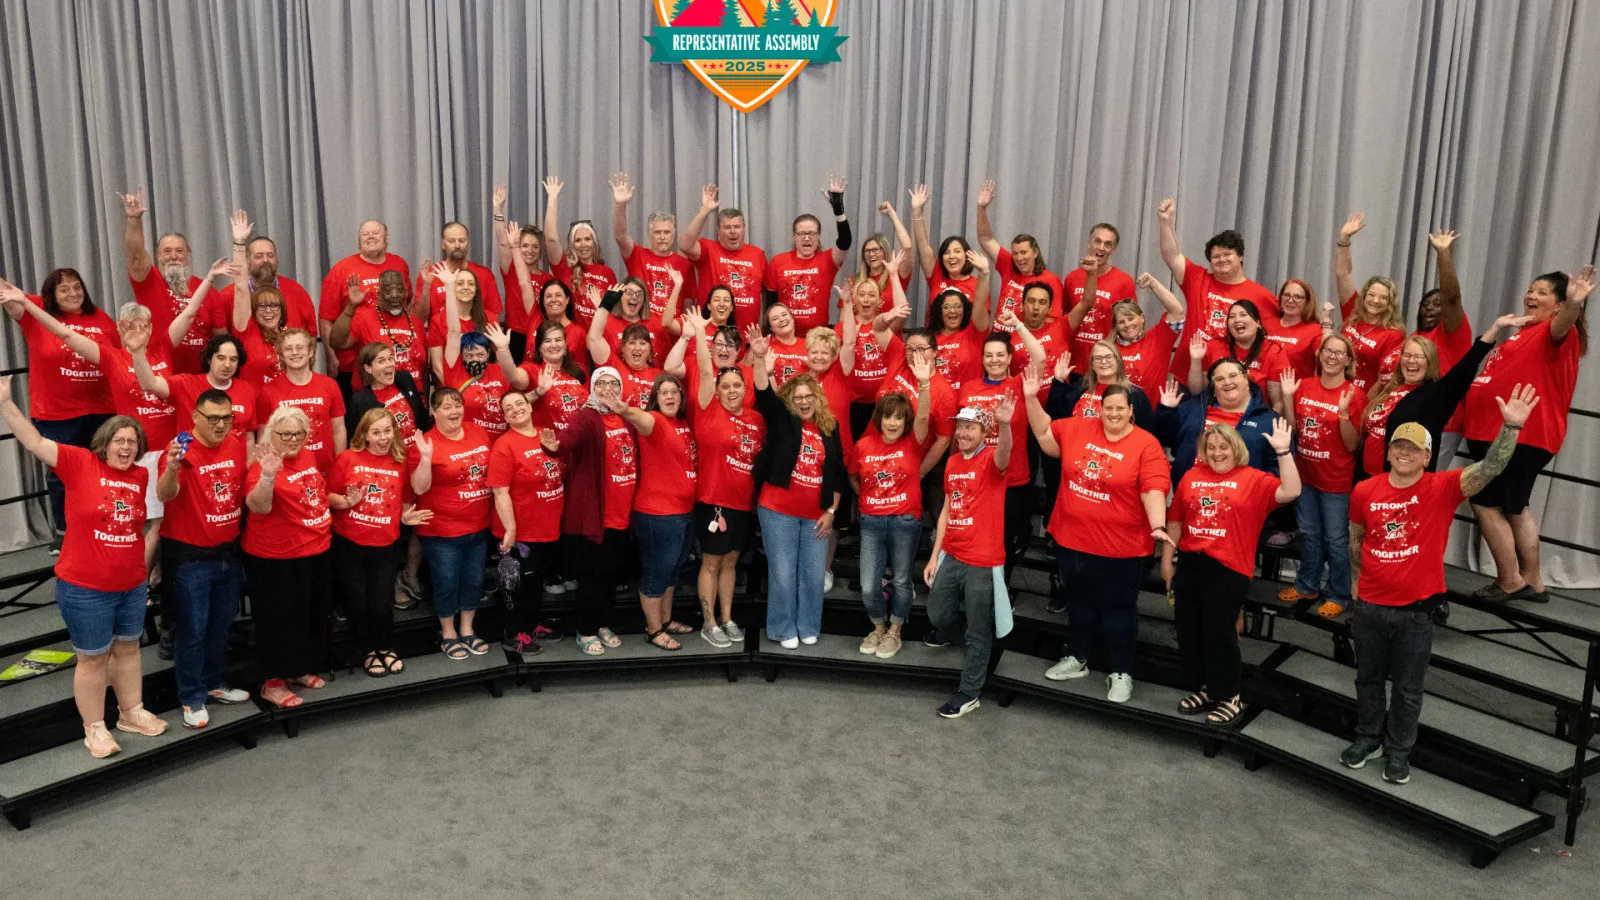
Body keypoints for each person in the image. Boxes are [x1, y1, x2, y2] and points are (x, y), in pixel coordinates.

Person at [1342, 387, 1537, 784]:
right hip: (1371, 606)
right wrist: (1357, 589)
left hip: (1416, 611)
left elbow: (1491, 468)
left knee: (1409, 690)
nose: (1404, 453)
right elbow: (1356, 539)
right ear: (1389, 450)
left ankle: (1398, 751)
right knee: (1367, 679)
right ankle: (1368, 738)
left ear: (1427, 457)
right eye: (1398, 446)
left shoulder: (1442, 488)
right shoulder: (1365, 490)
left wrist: (1511, 427)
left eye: (1413, 449)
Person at [0, 377, 167, 756]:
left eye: (133, 442)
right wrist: (6, 404)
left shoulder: (139, 476)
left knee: (128, 650)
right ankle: (94, 728)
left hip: (130, 584)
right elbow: (35, 441)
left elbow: (135, 528)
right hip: (85, 587)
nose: (126, 447)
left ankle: (131, 712)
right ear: (104, 443)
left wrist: (140, 577)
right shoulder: (78, 463)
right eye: (119, 440)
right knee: (92, 659)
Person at [1026, 376, 1171, 703]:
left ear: (1131, 411)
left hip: (1122, 550)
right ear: (1100, 409)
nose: (1114, 414)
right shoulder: (1080, 427)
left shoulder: (1146, 444)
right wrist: (1030, 397)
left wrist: (1158, 524)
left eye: (1121, 409)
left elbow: (1153, 488)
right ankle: (1077, 658)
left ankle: (1121, 672)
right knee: (1079, 606)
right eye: (1108, 408)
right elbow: (1045, 436)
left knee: (1118, 612)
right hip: (1074, 541)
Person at [1462, 267, 1590, 602]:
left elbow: (1564, 325)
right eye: (1530, 290)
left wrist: (1574, 304)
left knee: (1485, 503)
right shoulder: (1524, 332)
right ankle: (1533, 581)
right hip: (1499, 434)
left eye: (1542, 292)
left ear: (1559, 305)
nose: (1531, 296)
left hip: (1521, 435)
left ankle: (1509, 580)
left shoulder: (1557, 330)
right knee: (1515, 506)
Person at [1162, 421, 1300, 724]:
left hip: (1228, 568)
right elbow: (1176, 520)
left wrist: (1283, 451)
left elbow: (1291, 490)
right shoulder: (1191, 476)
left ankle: (1230, 696)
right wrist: (1167, 560)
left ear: (1236, 448)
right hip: (1190, 563)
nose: (1217, 453)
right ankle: (1207, 689)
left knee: (1219, 634)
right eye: (1211, 447)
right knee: (1189, 631)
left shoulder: (1253, 479)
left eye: (1223, 447)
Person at [1, 273, 138, 538]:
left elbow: (120, 357)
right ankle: (66, 532)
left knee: (105, 470)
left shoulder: (100, 317)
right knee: (61, 474)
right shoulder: (35, 309)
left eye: (77, 287)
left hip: (103, 411)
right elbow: (7, 293)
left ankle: (103, 524)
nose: (73, 293)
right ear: (51, 295)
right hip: (57, 414)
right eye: (64, 289)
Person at [156, 389, 250, 727]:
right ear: (195, 417)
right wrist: (171, 468)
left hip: (228, 552)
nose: (221, 424)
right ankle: (191, 697)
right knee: (192, 631)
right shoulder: (180, 448)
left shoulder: (237, 443)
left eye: (227, 417)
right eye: (213, 418)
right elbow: (165, 494)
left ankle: (215, 684)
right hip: (191, 559)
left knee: (221, 625)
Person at [749, 329, 847, 649]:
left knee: (813, 576)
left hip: (816, 516)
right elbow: (764, 393)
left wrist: (832, 511)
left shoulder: (829, 428)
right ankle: (781, 628)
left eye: (809, 396)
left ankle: (807, 625)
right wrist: (761, 358)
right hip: (778, 511)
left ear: (817, 399)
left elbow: (837, 475)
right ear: (790, 401)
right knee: (782, 574)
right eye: (798, 397)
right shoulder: (784, 421)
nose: (804, 401)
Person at [923, 397, 1017, 718]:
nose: (962, 432)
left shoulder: (992, 459)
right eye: (960, 426)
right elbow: (947, 511)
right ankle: (983, 648)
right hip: (953, 553)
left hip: (983, 559)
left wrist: (1005, 424)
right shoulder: (952, 462)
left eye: (970, 427)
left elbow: (1005, 452)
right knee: (937, 614)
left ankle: (969, 692)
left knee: (978, 629)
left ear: (984, 431)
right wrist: (935, 556)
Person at [243, 406, 333, 709]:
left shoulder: (307, 456)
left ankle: (296, 670)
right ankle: (273, 683)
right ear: (273, 434)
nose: (294, 439)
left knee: (308, 616)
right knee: (279, 621)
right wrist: (268, 475)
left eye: (299, 433)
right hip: (277, 558)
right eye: (286, 434)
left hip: (315, 550)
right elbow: (258, 506)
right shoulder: (263, 464)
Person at [1359, 316, 1520, 484]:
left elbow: (1466, 367)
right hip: (1367, 479)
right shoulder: (1391, 388)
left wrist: (1495, 328)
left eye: (1419, 356)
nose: (1411, 360)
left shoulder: (1435, 395)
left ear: (1430, 362)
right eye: (1407, 355)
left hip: (1401, 484)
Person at [330, 409, 430, 676]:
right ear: (364, 434)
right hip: (349, 545)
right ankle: (368, 651)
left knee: (381, 602)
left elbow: (405, 501)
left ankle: (385, 647)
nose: (383, 437)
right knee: (357, 603)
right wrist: (346, 502)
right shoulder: (347, 459)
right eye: (376, 432)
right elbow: (328, 495)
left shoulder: (399, 461)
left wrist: (406, 517)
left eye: (388, 431)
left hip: (385, 546)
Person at [545, 368, 638, 655]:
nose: (608, 388)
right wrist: (554, 447)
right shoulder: (587, 416)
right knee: (592, 576)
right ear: (593, 388)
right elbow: (568, 439)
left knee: (610, 575)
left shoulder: (625, 416)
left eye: (613, 383)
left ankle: (602, 624)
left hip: (623, 513)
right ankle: (585, 630)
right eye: (602, 383)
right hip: (597, 514)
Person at [685, 312, 764, 647]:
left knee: (731, 561)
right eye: (725, 386)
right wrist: (701, 335)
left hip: (742, 504)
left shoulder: (756, 419)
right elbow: (705, 370)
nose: (732, 390)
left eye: (737, 386)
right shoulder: (707, 410)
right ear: (715, 390)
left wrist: (759, 356)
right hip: (713, 502)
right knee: (712, 562)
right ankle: (709, 621)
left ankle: (727, 617)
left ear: (745, 389)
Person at [1275, 335, 1365, 617]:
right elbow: (1294, 428)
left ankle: (1338, 594)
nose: (1332, 356)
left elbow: (1353, 445)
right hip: (1306, 476)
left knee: (1337, 541)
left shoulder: (1354, 394)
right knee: (1311, 535)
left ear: (1348, 361)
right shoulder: (1306, 386)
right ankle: (1306, 585)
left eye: (1339, 353)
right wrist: (1289, 396)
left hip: (1336, 482)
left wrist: (1342, 415)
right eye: (1327, 351)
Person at [614, 373, 698, 651]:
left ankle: (665, 620)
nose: (670, 396)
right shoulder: (656, 422)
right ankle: (654, 630)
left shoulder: (683, 423)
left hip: (683, 512)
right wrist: (627, 411)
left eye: (675, 391)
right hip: (658, 514)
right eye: (664, 392)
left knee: (673, 572)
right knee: (657, 572)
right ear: (655, 398)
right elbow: (642, 418)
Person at [853, 370, 932, 659]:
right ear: (880, 419)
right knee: (868, 584)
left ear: (905, 421)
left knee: (901, 581)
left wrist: (924, 385)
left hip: (904, 521)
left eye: (899, 417)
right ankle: (878, 627)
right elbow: (853, 476)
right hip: (871, 522)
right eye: (888, 416)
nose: (893, 422)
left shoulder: (913, 442)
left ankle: (895, 631)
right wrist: (865, 498)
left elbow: (924, 418)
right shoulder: (863, 446)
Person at [409, 388, 493, 660]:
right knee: (446, 582)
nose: (454, 411)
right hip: (442, 532)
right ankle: (448, 633)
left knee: (474, 580)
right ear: (433, 412)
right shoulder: (425, 442)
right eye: (446, 407)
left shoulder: (478, 432)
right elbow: (419, 488)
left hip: (479, 526)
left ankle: (468, 628)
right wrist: (424, 458)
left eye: (457, 405)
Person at [1156, 197, 1278, 380]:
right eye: (1215, 256)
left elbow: (1275, 335)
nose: (1221, 260)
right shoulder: (1198, 279)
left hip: (1231, 379)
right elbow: (1172, 256)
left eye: (1227, 254)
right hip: (1189, 372)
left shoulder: (1261, 295)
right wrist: (1165, 222)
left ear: (1241, 257)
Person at [487, 390, 563, 656]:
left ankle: (530, 626)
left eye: (520, 403)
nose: (516, 409)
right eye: (509, 407)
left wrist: (555, 451)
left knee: (535, 582)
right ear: (505, 416)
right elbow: (500, 491)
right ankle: (512, 634)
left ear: (530, 407)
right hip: (519, 533)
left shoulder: (546, 434)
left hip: (548, 527)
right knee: (515, 586)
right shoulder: (504, 445)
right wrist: (511, 529)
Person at [958, 333, 1031, 580]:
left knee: (1004, 538)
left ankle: (1002, 589)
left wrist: (1019, 325)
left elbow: (1040, 358)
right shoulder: (969, 387)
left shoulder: (1019, 384)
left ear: (1010, 358)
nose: (994, 360)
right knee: (975, 534)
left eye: (1000, 354)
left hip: (1011, 478)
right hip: (975, 475)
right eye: (989, 355)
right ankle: (974, 587)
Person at [118, 186, 210, 372]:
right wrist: (134, 220)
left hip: (200, 382)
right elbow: (135, 254)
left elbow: (220, 339)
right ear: (157, 255)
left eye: (179, 251)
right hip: (158, 376)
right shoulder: (148, 280)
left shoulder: (206, 289)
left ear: (188, 254)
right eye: (166, 251)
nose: (173, 256)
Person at [319, 219, 413, 393]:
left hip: (391, 359)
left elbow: (407, 306)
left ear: (386, 240)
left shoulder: (399, 265)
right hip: (350, 361)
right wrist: (331, 356)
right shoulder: (341, 270)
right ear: (359, 241)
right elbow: (326, 318)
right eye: (365, 234)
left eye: (376, 233)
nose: (370, 237)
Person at [1155, 359, 1283, 485]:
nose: (1227, 382)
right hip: (1190, 494)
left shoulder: (1269, 420)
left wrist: (1255, 492)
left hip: (1242, 500)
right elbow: (1165, 439)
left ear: (1246, 379)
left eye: (1233, 376)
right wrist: (1167, 410)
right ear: (1213, 387)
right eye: (1219, 379)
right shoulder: (1194, 409)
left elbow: (1278, 468)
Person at [134, 331, 258, 460]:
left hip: (234, 468)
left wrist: (249, 473)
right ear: (209, 359)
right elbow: (150, 384)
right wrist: (137, 352)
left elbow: (249, 438)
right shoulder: (186, 384)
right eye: (221, 358)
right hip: (193, 467)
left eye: (233, 359)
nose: (227, 365)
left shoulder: (247, 389)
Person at [210, 210, 318, 341]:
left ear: (277, 259)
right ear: (247, 261)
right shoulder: (227, 297)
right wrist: (239, 242)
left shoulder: (296, 290)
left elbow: (311, 335)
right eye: (258, 256)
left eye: (270, 255)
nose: (265, 260)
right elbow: (221, 342)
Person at [763, 175, 852, 332]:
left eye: (811, 233)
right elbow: (770, 305)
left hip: (817, 341)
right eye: (801, 234)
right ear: (794, 237)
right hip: (785, 338)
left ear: (818, 236)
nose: (806, 238)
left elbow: (845, 241)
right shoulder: (778, 262)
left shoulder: (827, 260)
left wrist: (838, 209)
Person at [1333, 214, 1407, 394]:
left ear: (1390, 303)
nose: (1375, 300)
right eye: (1372, 295)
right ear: (1364, 296)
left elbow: (1385, 379)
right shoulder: (1352, 311)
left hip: (1361, 396)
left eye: (1383, 298)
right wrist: (1345, 238)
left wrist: (1365, 406)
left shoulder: (1393, 335)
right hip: (1333, 388)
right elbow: (1343, 274)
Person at [975, 179, 1063, 330]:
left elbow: (1050, 323)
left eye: (1023, 253)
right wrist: (981, 208)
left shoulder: (1050, 280)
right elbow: (986, 239)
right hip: (999, 342)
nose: (1019, 258)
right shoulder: (1008, 264)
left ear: (1035, 253)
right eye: (1015, 253)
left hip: (1023, 343)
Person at [680, 183, 767, 330]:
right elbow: (685, 245)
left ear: (744, 229)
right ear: (718, 231)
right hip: (710, 334)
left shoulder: (758, 254)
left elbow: (767, 293)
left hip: (747, 336)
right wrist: (704, 211)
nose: (732, 232)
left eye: (737, 227)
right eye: (727, 227)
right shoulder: (709, 249)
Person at [257, 328, 346, 470]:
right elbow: (264, 438)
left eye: (300, 347)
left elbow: (338, 429)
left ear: (310, 352)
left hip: (325, 469)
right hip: (286, 472)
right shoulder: (268, 391)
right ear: (281, 355)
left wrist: (341, 464)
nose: (294, 352)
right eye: (288, 349)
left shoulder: (329, 385)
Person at [439, 264, 512, 437]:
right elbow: (454, 332)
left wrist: (503, 348)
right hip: (469, 440)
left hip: (498, 439)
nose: (475, 359)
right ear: (460, 356)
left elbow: (516, 396)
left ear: (488, 353)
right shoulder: (454, 370)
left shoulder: (497, 371)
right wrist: (449, 288)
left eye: (480, 355)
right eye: (469, 355)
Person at [611, 173, 695, 318]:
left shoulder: (685, 265)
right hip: (641, 331)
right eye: (657, 232)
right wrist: (620, 205)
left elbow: (688, 304)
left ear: (674, 234)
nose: (662, 237)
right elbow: (620, 236)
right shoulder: (637, 255)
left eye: (667, 232)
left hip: (672, 333)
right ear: (650, 234)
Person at [1002, 260, 1098, 384]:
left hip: (1058, 398)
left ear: (1049, 308)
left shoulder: (1061, 326)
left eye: (1042, 302)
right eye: (1031, 301)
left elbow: (1087, 303)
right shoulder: (1008, 339)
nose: (1036, 307)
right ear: (1022, 305)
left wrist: (1091, 274)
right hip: (1025, 400)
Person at [330, 270, 427, 390]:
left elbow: (424, 370)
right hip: (376, 401)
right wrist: (351, 306)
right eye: (388, 290)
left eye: (400, 290)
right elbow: (337, 343)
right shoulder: (364, 318)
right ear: (379, 293)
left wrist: (424, 404)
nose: (395, 295)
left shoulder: (416, 323)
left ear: (406, 293)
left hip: (413, 400)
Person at [1187, 301, 1290, 412]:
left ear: (1258, 323)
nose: (1237, 320)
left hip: (1255, 417)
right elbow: (1196, 392)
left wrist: (1266, 426)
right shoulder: (1214, 347)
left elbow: (1277, 404)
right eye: (1232, 316)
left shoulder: (1273, 351)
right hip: (1216, 415)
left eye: (1243, 314)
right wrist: (1196, 360)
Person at [544, 176, 618, 328]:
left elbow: (614, 313)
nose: (583, 244)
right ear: (571, 245)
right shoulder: (564, 266)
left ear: (595, 242)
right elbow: (551, 238)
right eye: (577, 240)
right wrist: (552, 198)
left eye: (587, 239)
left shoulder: (607, 273)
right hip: (570, 340)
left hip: (598, 341)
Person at [1064, 224, 1139, 371]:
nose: (1101, 247)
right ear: (1089, 242)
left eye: (1108, 244)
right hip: (1073, 365)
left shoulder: (1124, 281)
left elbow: (1131, 326)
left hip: (1105, 366)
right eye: (1097, 241)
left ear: (1113, 249)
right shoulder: (1072, 278)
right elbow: (1064, 320)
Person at [493, 184, 551, 363]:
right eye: (525, 245)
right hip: (515, 335)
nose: (530, 251)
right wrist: (498, 210)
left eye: (535, 246)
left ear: (541, 250)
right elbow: (503, 243)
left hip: (541, 334)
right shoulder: (510, 269)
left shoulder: (548, 279)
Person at [1110, 274, 1186, 398]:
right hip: (1117, 413)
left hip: (1151, 414)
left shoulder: (1159, 338)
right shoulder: (1109, 348)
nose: (1127, 325)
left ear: (1142, 319)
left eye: (1131, 318)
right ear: (1116, 326)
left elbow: (1177, 311)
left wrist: (1152, 283)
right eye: (1121, 322)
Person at [909, 184, 978, 318]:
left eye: (957, 251)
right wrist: (917, 210)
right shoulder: (937, 275)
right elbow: (922, 244)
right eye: (947, 252)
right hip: (933, 338)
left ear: (967, 255)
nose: (952, 256)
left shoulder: (977, 285)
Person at [415, 222, 502, 324]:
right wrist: (426, 286)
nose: (457, 245)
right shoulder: (430, 274)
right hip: (441, 336)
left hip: (474, 337)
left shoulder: (484, 274)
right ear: (443, 244)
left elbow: (493, 317)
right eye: (451, 241)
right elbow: (418, 320)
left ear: (468, 243)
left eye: (462, 240)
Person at [930, 250, 993, 391]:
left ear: (965, 311)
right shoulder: (930, 338)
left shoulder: (974, 334)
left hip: (968, 406)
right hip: (939, 403)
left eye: (957, 306)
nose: (952, 311)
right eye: (947, 307)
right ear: (939, 311)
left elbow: (980, 304)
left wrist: (984, 274)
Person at [588, 275, 677, 368]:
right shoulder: (607, 320)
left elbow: (665, 358)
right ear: (620, 296)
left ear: (644, 300)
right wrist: (601, 312)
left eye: (639, 294)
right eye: (629, 292)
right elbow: (590, 345)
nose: (634, 297)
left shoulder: (655, 323)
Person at [422, 263, 488, 383]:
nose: (466, 287)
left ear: (476, 291)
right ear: (452, 288)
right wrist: (457, 390)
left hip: (485, 384)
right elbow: (437, 366)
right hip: (453, 387)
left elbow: (495, 362)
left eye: (471, 284)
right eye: (460, 283)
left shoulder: (490, 318)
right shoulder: (438, 321)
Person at [848, 202, 914, 299]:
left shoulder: (896, 277)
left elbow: (907, 246)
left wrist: (891, 213)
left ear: (885, 251)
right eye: (867, 251)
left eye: (875, 250)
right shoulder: (854, 281)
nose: (871, 254)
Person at [1265, 279, 1330, 378]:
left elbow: (1325, 358)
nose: (1290, 300)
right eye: (1286, 295)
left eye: (1298, 297)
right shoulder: (1266, 323)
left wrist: (1327, 325)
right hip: (1260, 391)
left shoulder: (1315, 330)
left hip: (1296, 391)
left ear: (1307, 302)